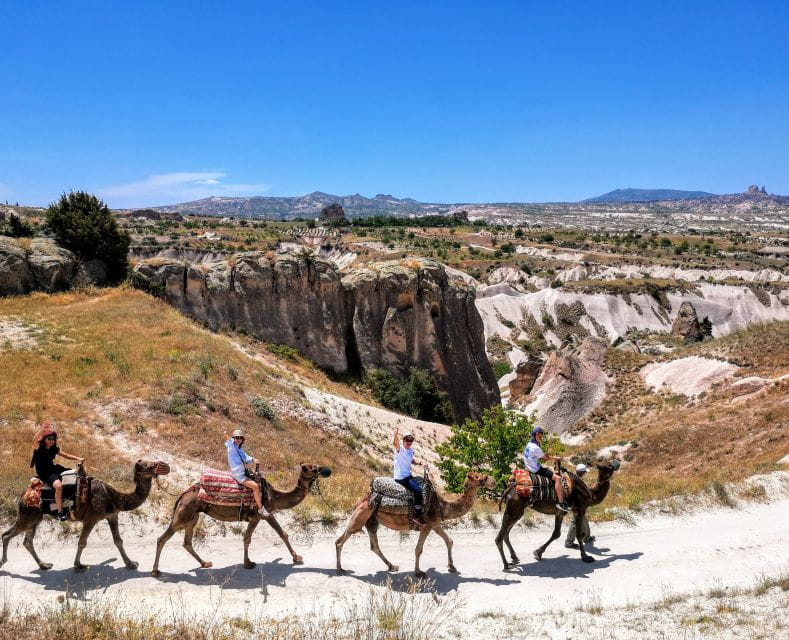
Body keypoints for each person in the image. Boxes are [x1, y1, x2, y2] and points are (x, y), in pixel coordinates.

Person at [30, 423, 84, 521]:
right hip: (45, 472)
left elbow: (66, 455)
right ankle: (60, 512)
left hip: (53, 468)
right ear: (44, 439)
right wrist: (42, 430)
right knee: (58, 486)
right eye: (49, 438)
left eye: (53, 439)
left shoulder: (53, 448)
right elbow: (33, 441)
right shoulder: (39, 447)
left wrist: (78, 458)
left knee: (75, 476)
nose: (51, 441)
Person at [523, 426, 569, 512]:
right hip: (535, 469)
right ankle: (561, 503)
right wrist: (556, 458)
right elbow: (546, 458)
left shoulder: (529, 444)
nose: (540, 437)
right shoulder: (536, 447)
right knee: (558, 478)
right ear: (534, 435)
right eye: (538, 435)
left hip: (528, 467)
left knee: (549, 470)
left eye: (541, 435)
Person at [224, 428, 268, 516]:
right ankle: (260, 508)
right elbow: (228, 439)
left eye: (240, 438)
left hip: (241, 470)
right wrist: (226, 435)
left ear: (242, 439)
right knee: (255, 486)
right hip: (238, 473)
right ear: (234, 438)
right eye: (236, 438)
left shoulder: (239, 448)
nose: (238, 439)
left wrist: (253, 459)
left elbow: (245, 457)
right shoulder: (231, 444)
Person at [392, 428, 426, 526]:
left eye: (411, 440)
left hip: (408, 475)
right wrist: (395, 435)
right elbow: (395, 444)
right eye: (407, 440)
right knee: (418, 491)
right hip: (401, 477)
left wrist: (421, 462)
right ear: (403, 440)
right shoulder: (400, 449)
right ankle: (417, 516)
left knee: (423, 483)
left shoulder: (410, 450)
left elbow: (412, 460)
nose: (409, 442)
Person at [565, 463, 595, 548]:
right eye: (584, 472)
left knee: (584, 519)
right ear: (581, 472)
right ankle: (569, 542)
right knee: (575, 522)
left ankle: (587, 537)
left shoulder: (574, 478)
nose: (585, 473)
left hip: (575, 504)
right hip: (576, 505)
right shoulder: (577, 481)